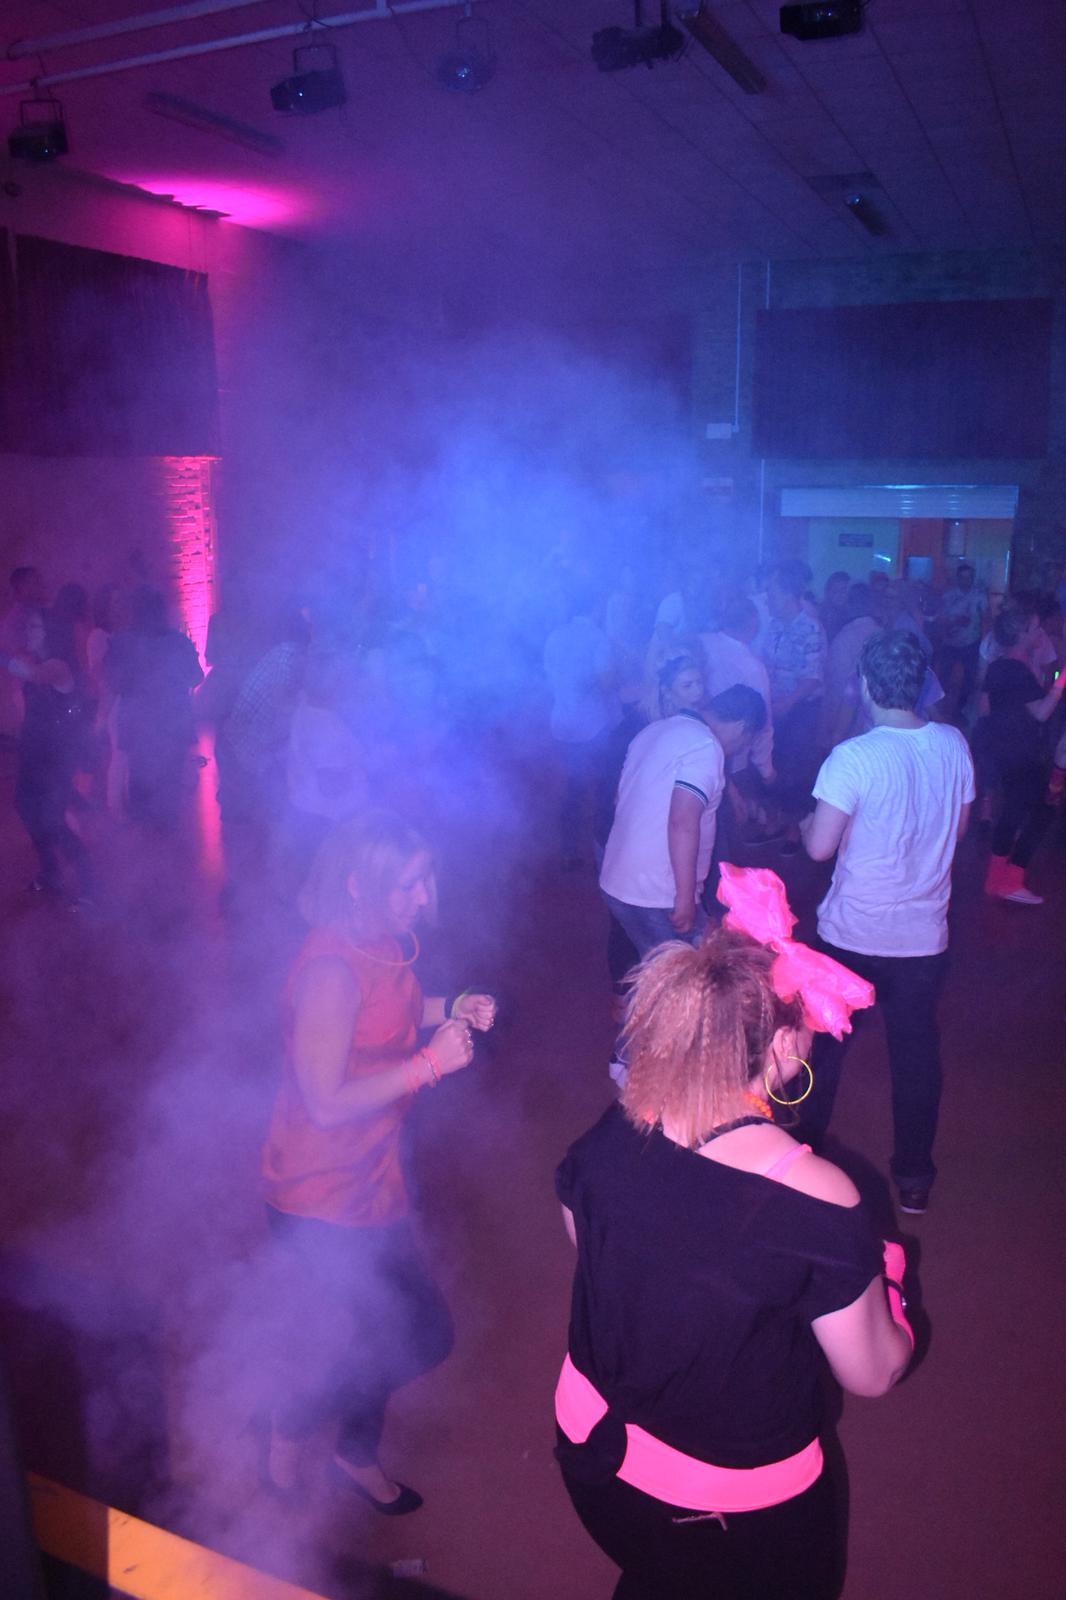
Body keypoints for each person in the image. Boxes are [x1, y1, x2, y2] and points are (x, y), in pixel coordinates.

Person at [555, 869, 910, 1600]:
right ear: (778, 1049)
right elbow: (873, 1373)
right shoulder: (818, 1199)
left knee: (654, 1581)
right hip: (727, 1510)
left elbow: (584, 1236)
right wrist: (892, 1288)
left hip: (591, 1459)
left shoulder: (613, 1130)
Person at [262, 812, 497, 1512]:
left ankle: (352, 1453)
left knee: (386, 1332)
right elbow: (323, 1102)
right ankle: (290, 1424)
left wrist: (453, 1005)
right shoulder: (329, 972)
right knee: (409, 1334)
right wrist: (429, 1065)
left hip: (372, 1175)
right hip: (317, 1192)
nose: (425, 897)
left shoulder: (381, 943)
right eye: (409, 884)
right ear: (358, 885)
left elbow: (394, 1010)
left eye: (427, 879)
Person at [799, 632, 975, 1215]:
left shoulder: (853, 756)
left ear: (866, 685)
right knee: (916, 1056)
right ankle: (915, 1179)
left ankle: (800, 1159)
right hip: (922, 938)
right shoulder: (953, 744)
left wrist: (807, 826)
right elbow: (958, 830)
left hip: (851, 934)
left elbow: (819, 848)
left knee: (822, 1051)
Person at [599, 684, 765, 958]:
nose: (738, 749)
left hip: (616, 881)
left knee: (657, 967)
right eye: (746, 742)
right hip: (657, 892)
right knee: (697, 973)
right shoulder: (705, 746)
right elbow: (682, 821)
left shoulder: (654, 731)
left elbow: (620, 798)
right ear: (741, 727)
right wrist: (685, 896)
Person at [980, 601, 1066, 905]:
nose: (1040, 632)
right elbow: (1041, 713)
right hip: (1022, 753)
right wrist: (1062, 679)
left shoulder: (999, 665)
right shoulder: (1017, 670)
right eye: (1035, 628)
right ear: (1021, 634)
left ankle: (998, 881)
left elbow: (986, 708)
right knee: (1041, 812)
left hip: (1007, 750)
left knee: (1016, 813)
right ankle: (1007, 882)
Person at [7, 607, 93, 902]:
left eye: (36, 628)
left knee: (53, 820)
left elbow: (32, 675)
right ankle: (50, 871)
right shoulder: (39, 663)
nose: (29, 633)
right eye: (28, 627)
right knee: (26, 808)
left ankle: (92, 887)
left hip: (54, 758)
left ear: (50, 633)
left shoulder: (57, 666)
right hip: (34, 753)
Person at [105, 587, 204, 830]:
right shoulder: (178, 642)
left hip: (137, 721)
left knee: (139, 776)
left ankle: (145, 834)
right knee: (170, 777)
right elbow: (196, 676)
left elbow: (113, 683)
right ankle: (166, 830)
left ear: (133, 611)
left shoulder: (121, 642)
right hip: (173, 720)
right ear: (162, 611)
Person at [543, 585, 622, 869]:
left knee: (573, 787)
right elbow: (607, 683)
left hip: (562, 722)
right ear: (595, 606)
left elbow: (550, 678)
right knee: (602, 788)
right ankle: (603, 851)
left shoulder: (554, 636)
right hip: (592, 726)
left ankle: (568, 849)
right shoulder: (597, 638)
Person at [761, 561, 827, 806]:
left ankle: (793, 821)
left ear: (788, 594)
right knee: (775, 761)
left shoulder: (810, 628)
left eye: (771, 592)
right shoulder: (774, 625)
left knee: (795, 767)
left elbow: (813, 677)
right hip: (777, 707)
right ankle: (775, 815)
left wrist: (786, 704)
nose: (767, 598)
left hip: (801, 710)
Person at [700, 599, 774, 783]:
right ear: (754, 624)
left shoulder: (701, 641)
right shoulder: (753, 667)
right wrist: (766, 769)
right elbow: (762, 723)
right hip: (731, 757)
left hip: (695, 734)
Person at [936, 563, 986, 718]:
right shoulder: (948, 596)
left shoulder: (979, 596)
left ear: (973, 578)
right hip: (949, 643)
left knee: (970, 679)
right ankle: (939, 710)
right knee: (943, 677)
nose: (966, 580)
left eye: (969, 577)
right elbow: (940, 619)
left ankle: (960, 710)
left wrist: (985, 642)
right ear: (957, 578)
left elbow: (986, 618)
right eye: (963, 577)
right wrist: (950, 627)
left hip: (971, 643)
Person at [818, 570, 851, 642]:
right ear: (828, 593)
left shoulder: (855, 614)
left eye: (843, 590)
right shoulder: (823, 615)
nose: (840, 595)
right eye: (835, 591)